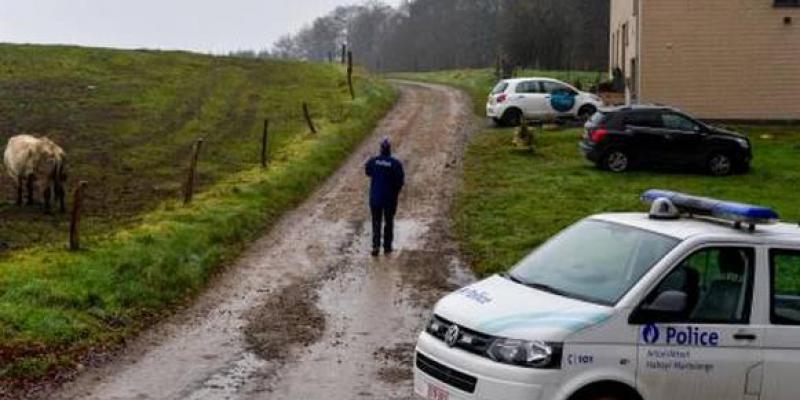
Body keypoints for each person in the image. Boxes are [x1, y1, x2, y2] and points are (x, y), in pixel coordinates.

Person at [365, 138, 405, 257]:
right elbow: (400, 181)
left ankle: (375, 246)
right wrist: (395, 192)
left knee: (376, 222)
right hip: (389, 199)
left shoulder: (373, 161)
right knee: (389, 222)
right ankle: (387, 247)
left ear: (380, 149)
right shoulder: (395, 163)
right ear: (389, 149)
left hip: (375, 198)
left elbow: (367, 172)